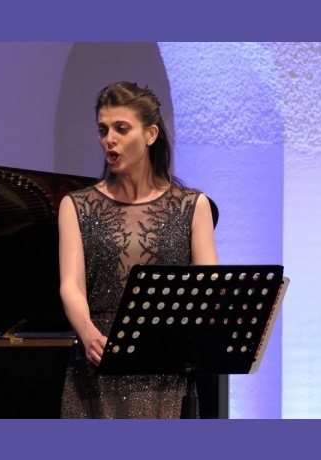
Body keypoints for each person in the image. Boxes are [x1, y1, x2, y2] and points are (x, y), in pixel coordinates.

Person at [58, 81, 219, 418]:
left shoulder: (193, 205)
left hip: (165, 364)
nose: (109, 139)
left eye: (121, 128)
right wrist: (87, 333)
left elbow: (209, 285)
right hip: (99, 358)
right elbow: (71, 285)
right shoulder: (77, 205)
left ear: (150, 135)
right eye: (103, 130)